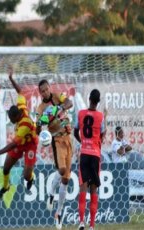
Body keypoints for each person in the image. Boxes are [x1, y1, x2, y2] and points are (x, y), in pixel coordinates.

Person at [0, 67, 38, 199]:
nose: (11, 122)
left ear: (16, 118)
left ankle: (32, 177)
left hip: (30, 144)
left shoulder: (24, 125)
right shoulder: (21, 107)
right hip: (20, 143)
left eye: (11, 120)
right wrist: (11, 79)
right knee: (6, 168)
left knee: (26, 176)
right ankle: (5, 186)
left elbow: (12, 144)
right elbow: (20, 91)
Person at [36, 79, 73, 229]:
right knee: (62, 170)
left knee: (65, 180)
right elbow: (38, 127)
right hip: (56, 139)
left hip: (68, 138)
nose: (45, 92)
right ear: (40, 93)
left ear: (49, 88)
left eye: (46, 89)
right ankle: (51, 192)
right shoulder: (40, 108)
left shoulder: (58, 96)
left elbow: (69, 103)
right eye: (42, 91)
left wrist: (59, 108)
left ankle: (58, 214)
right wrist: (41, 123)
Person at [74, 89, 106, 230]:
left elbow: (75, 131)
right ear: (98, 101)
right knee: (94, 190)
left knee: (83, 188)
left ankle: (81, 222)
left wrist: (82, 142)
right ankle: (92, 225)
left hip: (84, 154)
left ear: (89, 99)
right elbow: (102, 134)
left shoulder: (80, 114)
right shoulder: (100, 116)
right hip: (95, 155)